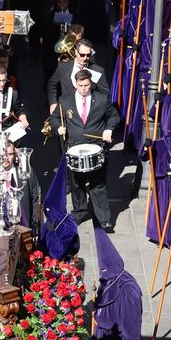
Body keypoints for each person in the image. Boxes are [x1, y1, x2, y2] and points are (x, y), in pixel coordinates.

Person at [53, 67, 119, 231]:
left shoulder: (102, 99)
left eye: (87, 85)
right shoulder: (65, 100)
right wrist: (58, 127)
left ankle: (104, 219)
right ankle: (79, 212)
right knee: (77, 184)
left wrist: (108, 129)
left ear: (91, 84)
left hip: (96, 146)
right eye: (81, 85)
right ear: (76, 84)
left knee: (98, 184)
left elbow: (114, 116)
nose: (84, 89)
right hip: (74, 146)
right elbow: (54, 118)